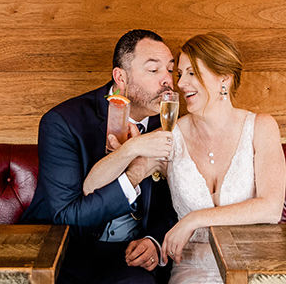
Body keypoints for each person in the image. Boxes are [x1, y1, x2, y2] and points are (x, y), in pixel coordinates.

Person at [22, 29, 178, 284]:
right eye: (154, 70)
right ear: (121, 77)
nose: (167, 81)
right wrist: (135, 171)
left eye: (170, 70)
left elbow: (173, 203)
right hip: (64, 251)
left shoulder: (169, 123)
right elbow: (67, 216)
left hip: (128, 258)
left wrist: (154, 240)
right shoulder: (63, 122)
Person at [162, 33, 286, 284]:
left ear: (224, 79)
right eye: (180, 74)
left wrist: (194, 219)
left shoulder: (261, 127)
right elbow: (96, 186)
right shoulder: (169, 133)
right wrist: (127, 151)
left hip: (253, 269)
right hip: (191, 270)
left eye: (192, 73)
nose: (181, 83)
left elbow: (271, 208)